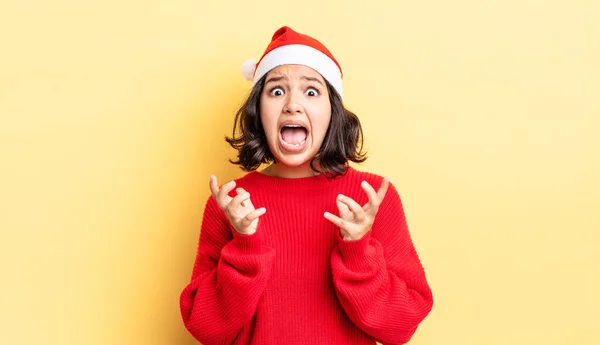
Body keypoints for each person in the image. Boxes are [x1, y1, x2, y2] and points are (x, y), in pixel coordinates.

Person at [179, 26, 433, 345]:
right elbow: (208, 330)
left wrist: (358, 248)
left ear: (332, 111)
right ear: (258, 111)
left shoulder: (370, 200)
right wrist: (244, 245)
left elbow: (400, 328)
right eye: (276, 91)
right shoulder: (232, 204)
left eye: (311, 92)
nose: (292, 105)